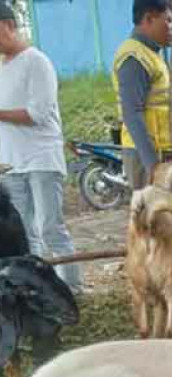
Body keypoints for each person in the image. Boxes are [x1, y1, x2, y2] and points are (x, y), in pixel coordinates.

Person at [0, 2, 82, 293]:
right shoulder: (2, 67)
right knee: (23, 234)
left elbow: (37, 113)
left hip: (42, 160)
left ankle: (72, 289)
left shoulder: (37, 62)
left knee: (50, 228)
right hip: (12, 163)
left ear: (8, 25)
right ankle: (30, 294)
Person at [112, 0, 172, 189]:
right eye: (168, 21)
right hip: (148, 158)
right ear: (149, 19)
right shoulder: (135, 58)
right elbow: (132, 114)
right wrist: (153, 166)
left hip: (164, 155)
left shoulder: (153, 54)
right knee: (156, 217)